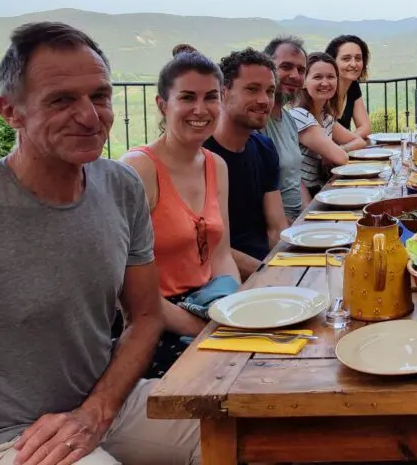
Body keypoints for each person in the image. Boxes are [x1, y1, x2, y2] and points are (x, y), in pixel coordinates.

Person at [0, 22, 199, 465]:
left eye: (99, 96)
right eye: (61, 100)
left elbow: (146, 317)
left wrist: (96, 411)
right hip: (4, 437)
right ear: (10, 111)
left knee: (254, 427)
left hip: (107, 404)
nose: (90, 116)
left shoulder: (120, 186)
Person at [120, 46, 241, 379]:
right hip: (155, 321)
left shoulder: (216, 165)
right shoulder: (138, 169)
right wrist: (201, 325)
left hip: (209, 304)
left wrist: (233, 306)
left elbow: (220, 255)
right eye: (187, 97)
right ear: (163, 104)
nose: (200, 109)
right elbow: (122, 286)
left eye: (210, 97)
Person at [203, 49, 286, 280]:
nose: (263, 100)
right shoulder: (201, 157)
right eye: (252, 89)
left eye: (270, 91)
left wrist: (290, 269)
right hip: (223, 279)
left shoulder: (264, 147)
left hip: (266, 269)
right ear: (224, 92)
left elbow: (276, 228)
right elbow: (210, 250)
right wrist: (271, 274)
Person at [289, 52, 368, 199]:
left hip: (321, 188)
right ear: (304, 82)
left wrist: (340, 149)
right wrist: (338, 152)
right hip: (304, 196)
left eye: (331, 77)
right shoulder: (300, 116)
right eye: (318, 77)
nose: (325, 83)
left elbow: (359, 141)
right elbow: (341, 158)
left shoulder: (326, 118)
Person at [262, 36, 308, 222]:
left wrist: (310, 214)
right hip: (282, 229)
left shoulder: (288, 119)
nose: (295, 75)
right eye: (286, 67)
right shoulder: (257, 125)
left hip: (299, 222)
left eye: (301, 70)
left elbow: (296, 177)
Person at [325, 35, 373, 139]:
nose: (353, 64)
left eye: (358, 58)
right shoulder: (323, 90)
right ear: (332, 62)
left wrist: (349, 141)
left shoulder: (352, 85)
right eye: (346, 59)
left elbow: (365, 127)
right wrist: (354, 142)